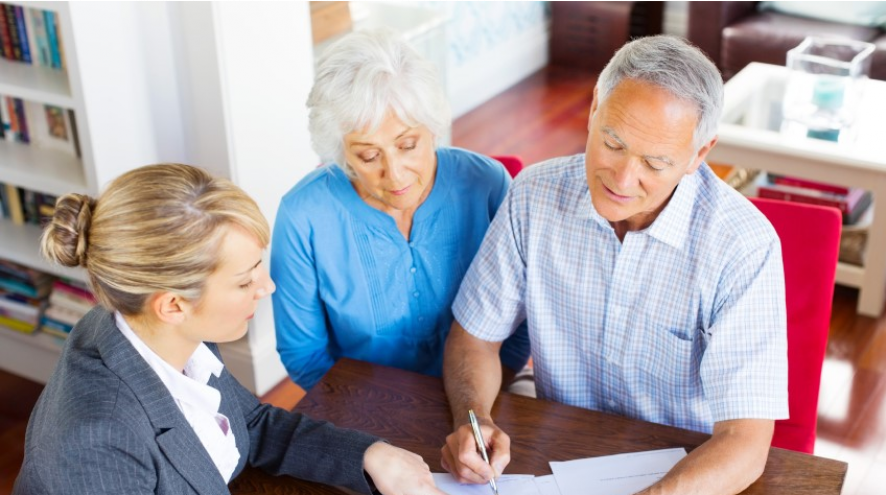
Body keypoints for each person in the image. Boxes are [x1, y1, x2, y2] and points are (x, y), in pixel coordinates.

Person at [440, 35, 788, 495]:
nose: (623, 180)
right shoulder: (533, 196)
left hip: (689, 471)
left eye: (655, 163)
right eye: (613, 143)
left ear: (698, 155)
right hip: (557, 449)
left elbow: (745, 444)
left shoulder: (743, 245)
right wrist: (474, 418)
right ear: (593, 110)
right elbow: (474, 340)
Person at [14, 164, 445, 495]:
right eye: (245, 280)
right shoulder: (97, 443)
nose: (268, 286)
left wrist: (372, 455)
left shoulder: (158, 331)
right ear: (173, 305)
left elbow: (249, 423)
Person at [271, 29, 530, 390]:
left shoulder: (487, 185)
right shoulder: (303, 216)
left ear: (433, 128)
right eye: (368, 155)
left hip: (484, 394)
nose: (394, 174)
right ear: (339, 151)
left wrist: (481, 399)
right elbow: (304, 355)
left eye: (408, 145)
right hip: (363, 407)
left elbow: (522, 317)